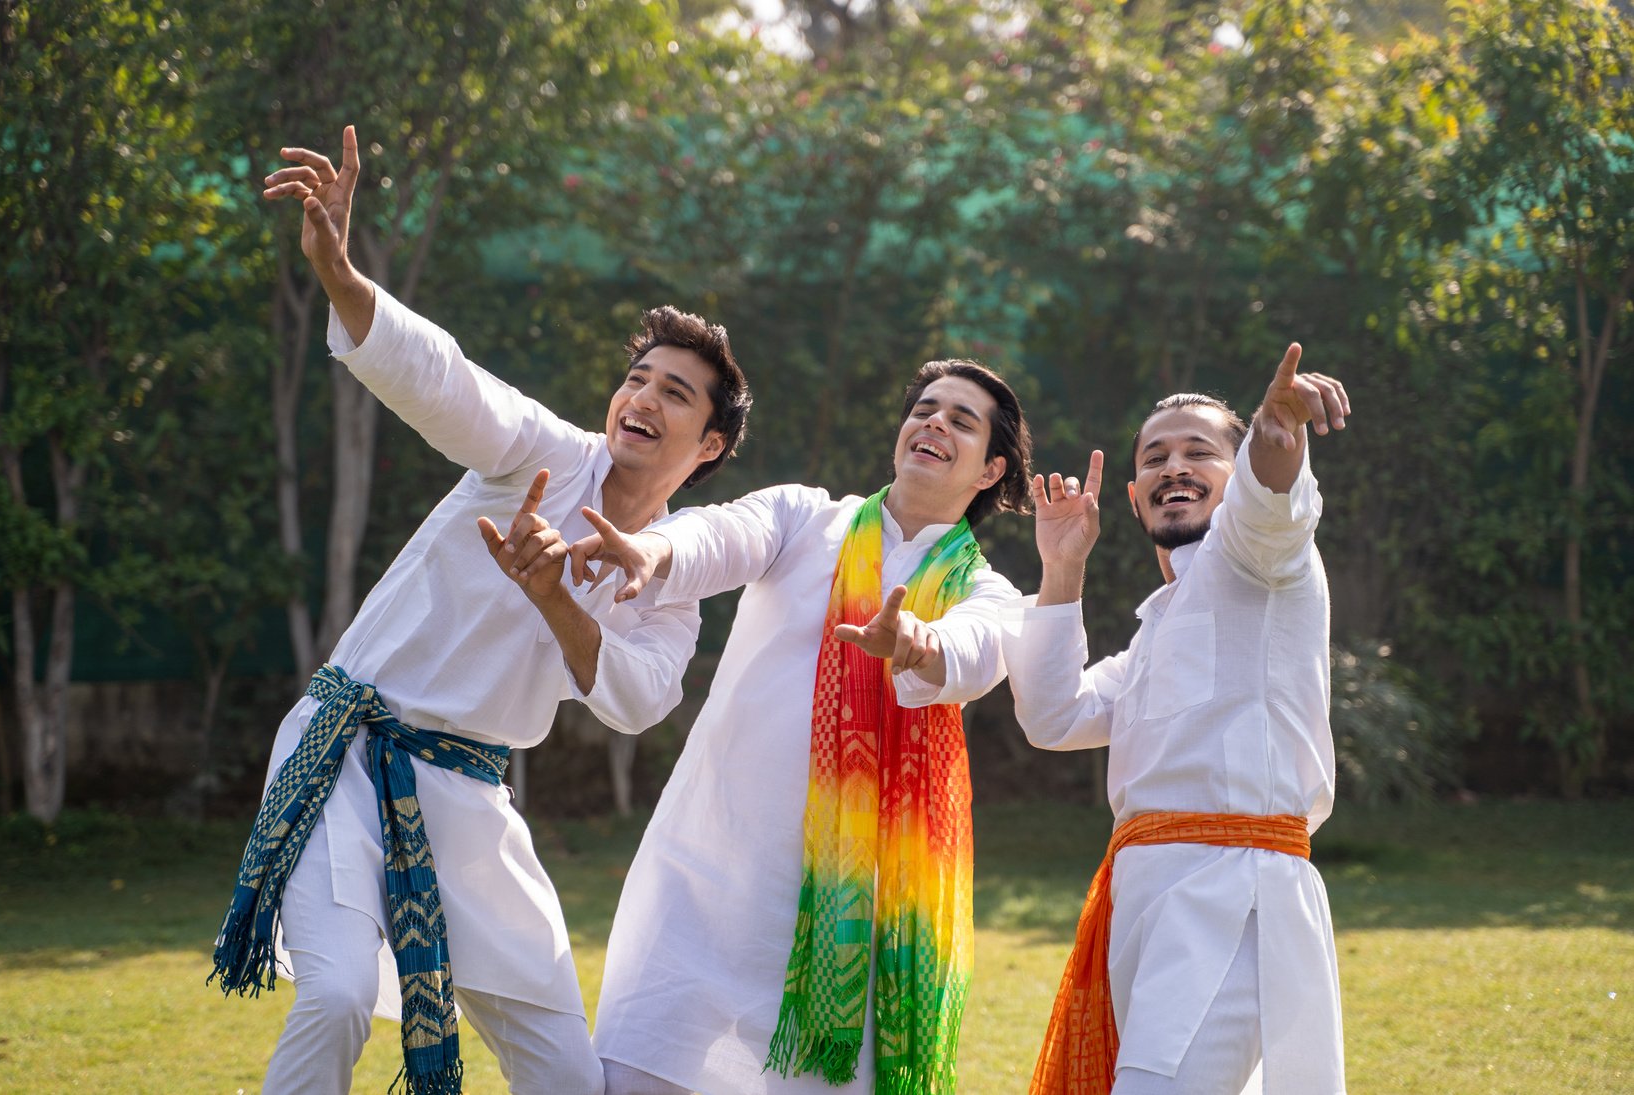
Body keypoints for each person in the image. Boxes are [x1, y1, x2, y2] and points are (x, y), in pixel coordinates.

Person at [209, 126, 751, 1095]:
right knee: (333, 999)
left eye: (675, 394)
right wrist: (342, 278)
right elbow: (446, 381)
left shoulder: (668, 576)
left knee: (567, 1081)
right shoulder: (535, 450)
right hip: (348, 759)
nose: (642, 400)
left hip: (473, 801)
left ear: (707, 446)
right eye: (637, 378)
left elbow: (636, 698)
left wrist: (555, 600)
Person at [569, 360, 1034, 1095]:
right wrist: (652, 548)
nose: (932, 422)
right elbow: (718, 534)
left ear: (990, 470)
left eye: (960, 420)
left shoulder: (988, 593)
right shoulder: (803, 517)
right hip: (705, 877)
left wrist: (913, 642)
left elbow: (974, 650)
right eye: (923, 407)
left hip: (851, 922)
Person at [1004, 345, 1350, 1095]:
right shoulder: (1153, 631)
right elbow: (1051, 714)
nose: (1173, 466)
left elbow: (1271, 502)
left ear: (1236, 479)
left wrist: (1273, 430)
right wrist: (1061, 567)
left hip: (1230, 895)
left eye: (1200, 451)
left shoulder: (1260, 559)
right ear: (1132, 498)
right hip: (1147, 904)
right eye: (1154, 457)